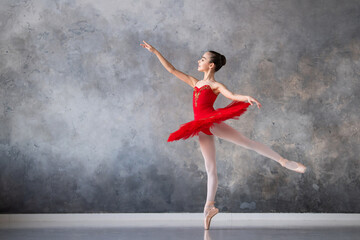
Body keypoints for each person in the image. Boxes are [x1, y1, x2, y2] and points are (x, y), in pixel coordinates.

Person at [140, 40, 307, 230]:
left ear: (211, 65)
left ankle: (283, 161)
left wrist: (246, 97)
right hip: (200, 126)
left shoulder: (215, 85)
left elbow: (232, 95)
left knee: (247, 143)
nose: (198, 61)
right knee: (210, 168)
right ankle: (209, 207)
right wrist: (155, 51)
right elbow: (171, 69)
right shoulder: (196, 82)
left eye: (202, 59)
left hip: (211, 121)